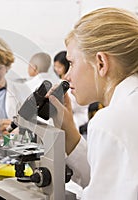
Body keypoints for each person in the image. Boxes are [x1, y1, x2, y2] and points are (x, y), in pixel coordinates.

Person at [48, 7, 138, 199]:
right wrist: (69, 130)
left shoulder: (111, 121)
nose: (67, 76)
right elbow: (111, 178)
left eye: (71, 63)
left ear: (101, 63)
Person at [53, 50, 88, 130]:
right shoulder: (58, 82)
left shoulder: (74, 84)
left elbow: (76, 106)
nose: (56, 69)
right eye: (55, 66)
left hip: (77, 115)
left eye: (59, 67)